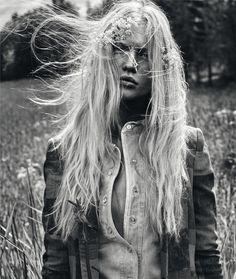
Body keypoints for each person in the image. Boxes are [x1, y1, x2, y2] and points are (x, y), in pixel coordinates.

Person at [41, 0, 223, 278]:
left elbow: (207, 256)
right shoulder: (66, 152)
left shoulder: (187, 149)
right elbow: (56, 264)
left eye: (143, 53)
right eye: (119, 49)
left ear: (162, 65)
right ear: (104, 56)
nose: (129, 63)